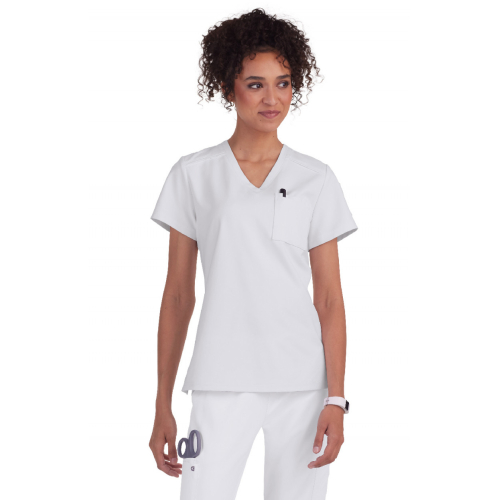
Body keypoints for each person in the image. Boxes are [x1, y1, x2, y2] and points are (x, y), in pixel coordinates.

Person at [148, 8, 358, 500]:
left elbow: (329, 299)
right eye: (255, 84)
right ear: (228, 88)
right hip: (219, 380)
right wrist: (161, 403)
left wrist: (336, 398)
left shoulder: (315, 179)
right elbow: (178, 296)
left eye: (283, 84)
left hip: (303, 385)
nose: (272, 98)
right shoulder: (193, 175)